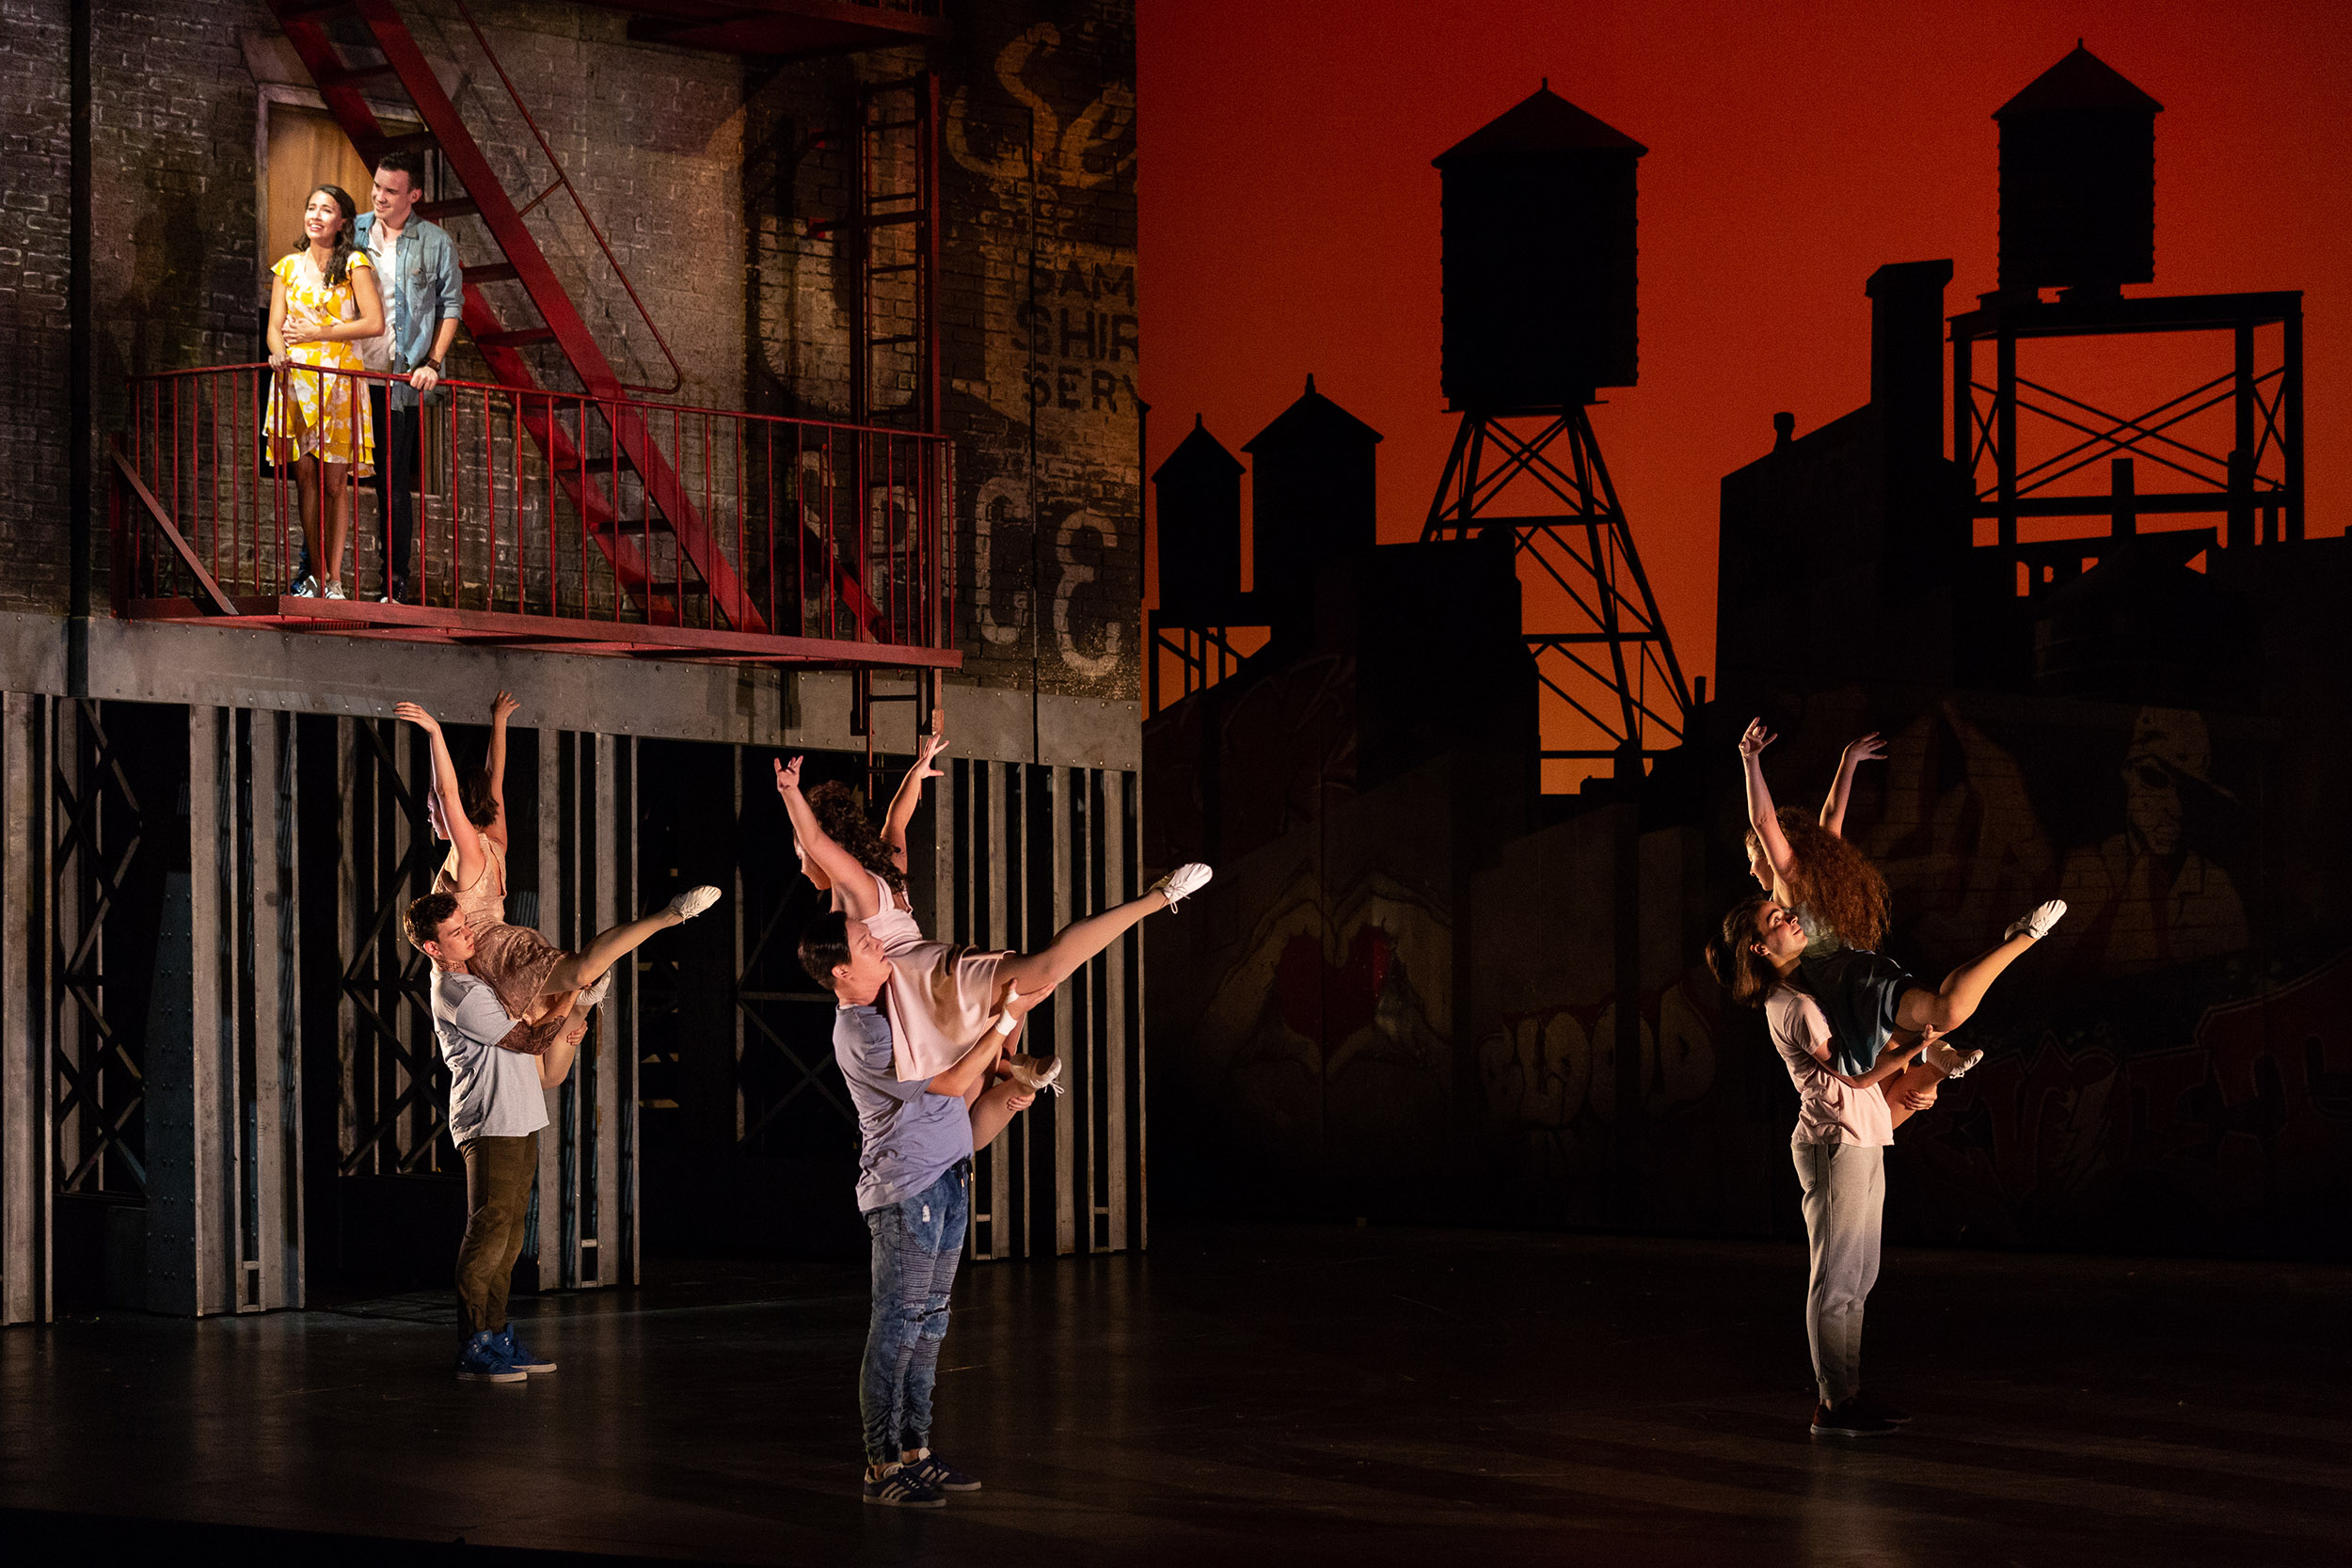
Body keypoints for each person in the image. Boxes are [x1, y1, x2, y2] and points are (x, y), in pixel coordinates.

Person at [776, 751, 1211, 1083]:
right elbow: (897, 819)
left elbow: (814, 839)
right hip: (928, 978)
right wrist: (915, 776)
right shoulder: (884, 868)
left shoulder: (853, 884)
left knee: (1039, 972)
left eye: (801, 856)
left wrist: (790, 793)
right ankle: (1011, 1065)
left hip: (932, 980)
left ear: (832, 850)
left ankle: (1160, 896)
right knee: (1018, 993)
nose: (802, 866)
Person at [802, 905, 1041, 1506]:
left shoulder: (898, 1008)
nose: (879, 943)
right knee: (899, 1327)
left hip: (946, 1181)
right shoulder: (861, 1031)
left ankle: (917, 1451)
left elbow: (962, 1114)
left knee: (930, 1325)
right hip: (907, 1193)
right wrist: (1003, 1020)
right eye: (864, 941)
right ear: (839, 970)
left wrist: (1013, 1090)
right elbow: (954, 1085)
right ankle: (881, 1467)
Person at [1708, 895, 1948, 1438]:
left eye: (1783, 911)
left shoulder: (1810, 987)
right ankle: (1833, 1402)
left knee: (1861, 1277)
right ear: (1758, 947)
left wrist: (1910, 1064)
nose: (1790, 918)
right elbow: (1855, 1071)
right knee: (1836, 1277)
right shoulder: (1789, 1004)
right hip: (1831, 1142)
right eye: (1776, 919)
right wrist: (1917, 1045)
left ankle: (1850, 1394)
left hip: (1862, 1136)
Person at [1739, 718, 2066, 1078]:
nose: (1752, 871)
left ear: (1770, 854)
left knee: (1948, 1011)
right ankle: (1935, 1050)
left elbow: (1767, 819)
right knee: (1906, 1027)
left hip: (1855, 978)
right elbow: (1828, 814)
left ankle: (2022, 936)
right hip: (1843, 987)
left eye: (1755, 860)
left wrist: (1750, 761)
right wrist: (1848, 761)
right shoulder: (1781, 901)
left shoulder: (1791, 882)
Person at [396, 698, 721, 1024]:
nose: (430, 817)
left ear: (458, 816)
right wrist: (499, 721)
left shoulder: (467, 855)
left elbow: (446, 791)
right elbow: (494, 777)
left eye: (431, 809)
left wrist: (434, 733)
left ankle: (672, 914)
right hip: (503, 947)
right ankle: (581, 1006)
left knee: (580, 971)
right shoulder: (495, 842)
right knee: (548, 1072)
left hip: (494, 958)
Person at [405, 888, 586, 1383]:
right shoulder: (455, 993)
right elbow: (526, 1039)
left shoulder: (474, 977)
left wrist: (567, 1012)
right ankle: (474, 1344)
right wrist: (573, 995)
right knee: (488, 1231)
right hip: (490, 1121)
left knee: (509, 1237)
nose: (469, 936)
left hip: (519, 1115)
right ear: (432, 948)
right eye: (456, 933)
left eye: (465, 926)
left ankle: (498, 1333)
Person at [354, 150, 464, 605]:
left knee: (392, 484)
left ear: (413, 195)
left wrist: (432, 364)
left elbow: (451, 306)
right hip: (350, 372)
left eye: (391, 191)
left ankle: (394, 585)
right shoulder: (354, 229)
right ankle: (319, 577)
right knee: (325, 473)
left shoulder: (435, 242)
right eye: (377, 186)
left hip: (397, 383)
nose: (379, 197)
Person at [265, 183, 383, 601]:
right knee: (305, 480)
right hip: (297, 382)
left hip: (339, 382)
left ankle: (334, 577)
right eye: (311, 207)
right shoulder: (287, 268)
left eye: (326, 210)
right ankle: (314, 573)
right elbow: (274, 328)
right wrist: (279, 355)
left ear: (343, 222)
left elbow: (374, 323)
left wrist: (320, 331)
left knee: (335, 483)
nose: (315, 215)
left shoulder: (353, 262)